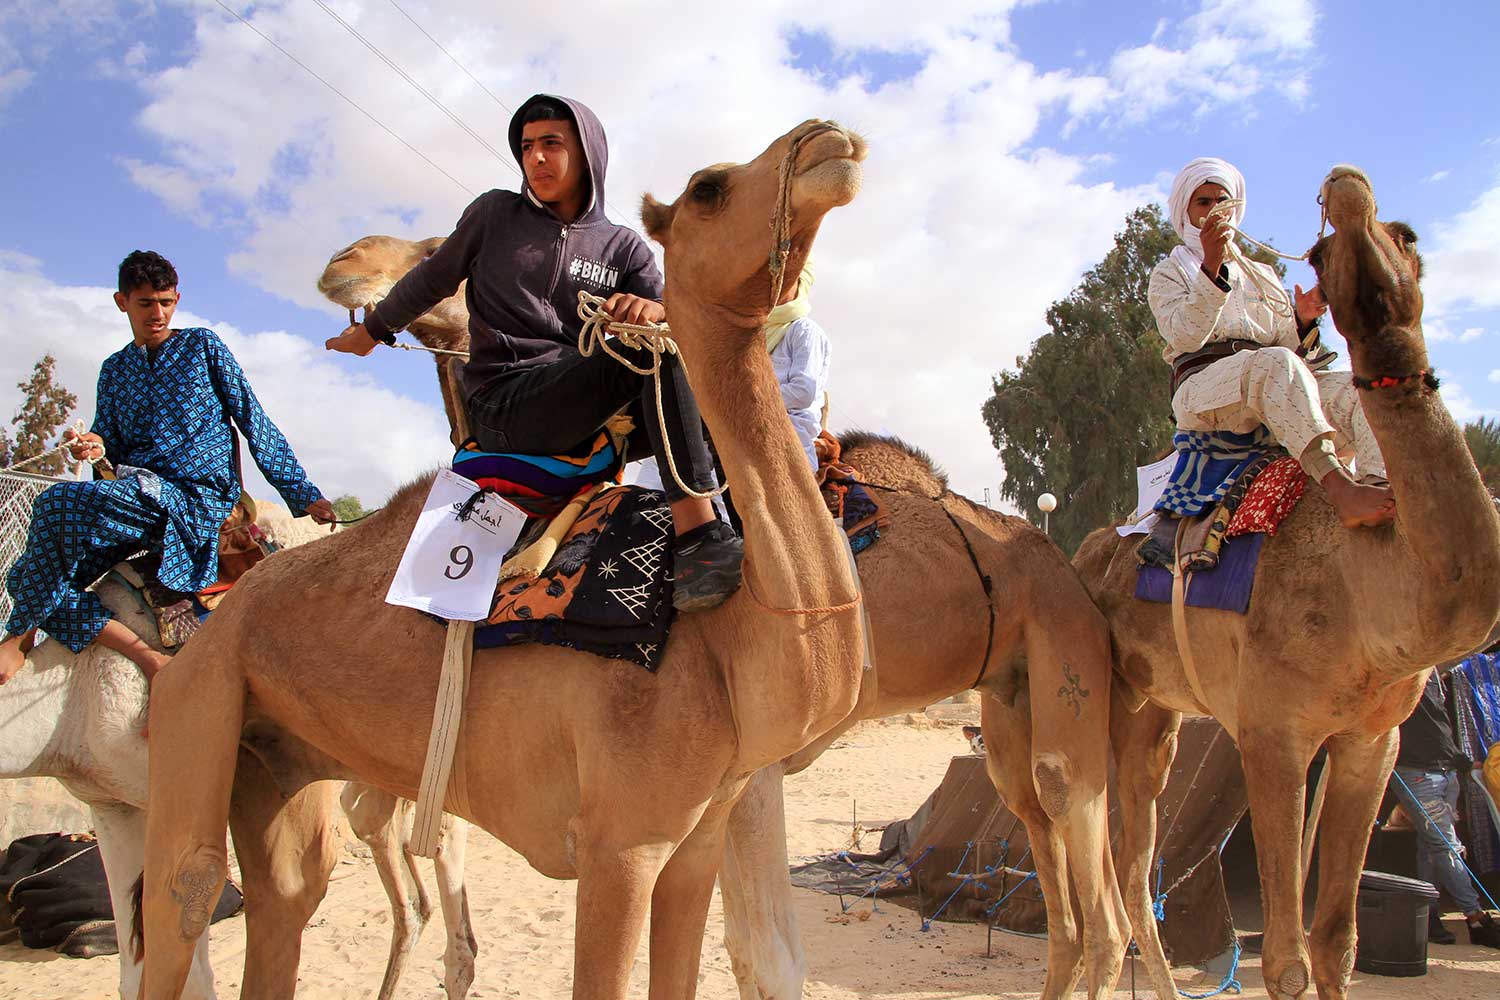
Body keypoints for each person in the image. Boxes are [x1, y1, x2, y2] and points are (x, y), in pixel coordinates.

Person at [325, 94, 742, 611]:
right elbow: (431, 278)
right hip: (506, 403)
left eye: (551, 144)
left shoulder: (623, 247)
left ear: (587, 153)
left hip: (586, 410)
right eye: (527, 147)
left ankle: (746, 520)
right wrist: (371, 332)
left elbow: (671, 309)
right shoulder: (495, 213)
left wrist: (651, 310)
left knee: (685, 363)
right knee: (649, 354)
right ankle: (699, 539)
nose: (536, 158)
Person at [0, 251, 335, 685]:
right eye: (145, 304)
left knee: (55, 500)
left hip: (196, 500)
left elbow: (254, 420)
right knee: (24, 577)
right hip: (136, 500)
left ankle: (17, 635)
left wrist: (304, 494)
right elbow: (109, 453)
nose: (157, 314)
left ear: (176, 298)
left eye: (166, 302)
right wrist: (95, 449)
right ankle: (148, 659)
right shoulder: (114, 370)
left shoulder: (203, 346)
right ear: (122, 302)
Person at [1148, 157, 1395, 528]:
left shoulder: (1261, 274)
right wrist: (1211, 270)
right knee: (1274, 364)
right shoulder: (1169, 273)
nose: (1215, 210)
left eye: (1223, 202)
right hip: (1203, 389)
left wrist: (1304, 318)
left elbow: (1285, 345)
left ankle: (1377, 485)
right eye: (1204, 202)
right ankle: (1339, 487)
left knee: (1359, 387)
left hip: (1270, 381)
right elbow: (1185, 335)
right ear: (1186, 211)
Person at [1391, 670, 1500, 947]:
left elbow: (1436, 724)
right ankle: (1475, 917)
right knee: (1446, 847)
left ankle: (1427, 916)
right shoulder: (1399, 670)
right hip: (1415, 772)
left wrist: (1459, 761)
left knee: (1430, 849)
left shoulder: (1433, 673)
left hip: (1445, 770)